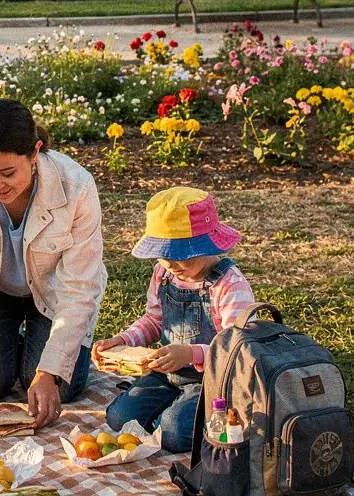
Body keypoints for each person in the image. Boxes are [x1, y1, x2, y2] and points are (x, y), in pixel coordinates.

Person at [0, 98, 106, 429]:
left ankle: (35, 350)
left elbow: (79, 288)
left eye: (8, 172)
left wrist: (49, 371)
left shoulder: (78, 186)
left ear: (35, 153)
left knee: (58, 387)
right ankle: (14, 342)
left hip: (54, 296)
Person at [94, 186, 256, 452]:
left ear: (208, 244)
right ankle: (172, 411)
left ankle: (185, 417)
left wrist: (192, 353)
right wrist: (123, 340)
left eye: (182, 256)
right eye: (165, 256)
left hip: (212, 382)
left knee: (172, 432)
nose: (173, 265)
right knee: (118, 418)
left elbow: (239, 348)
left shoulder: (229, 284)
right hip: (168, 374)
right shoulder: (164, 273)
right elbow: (154, 320)